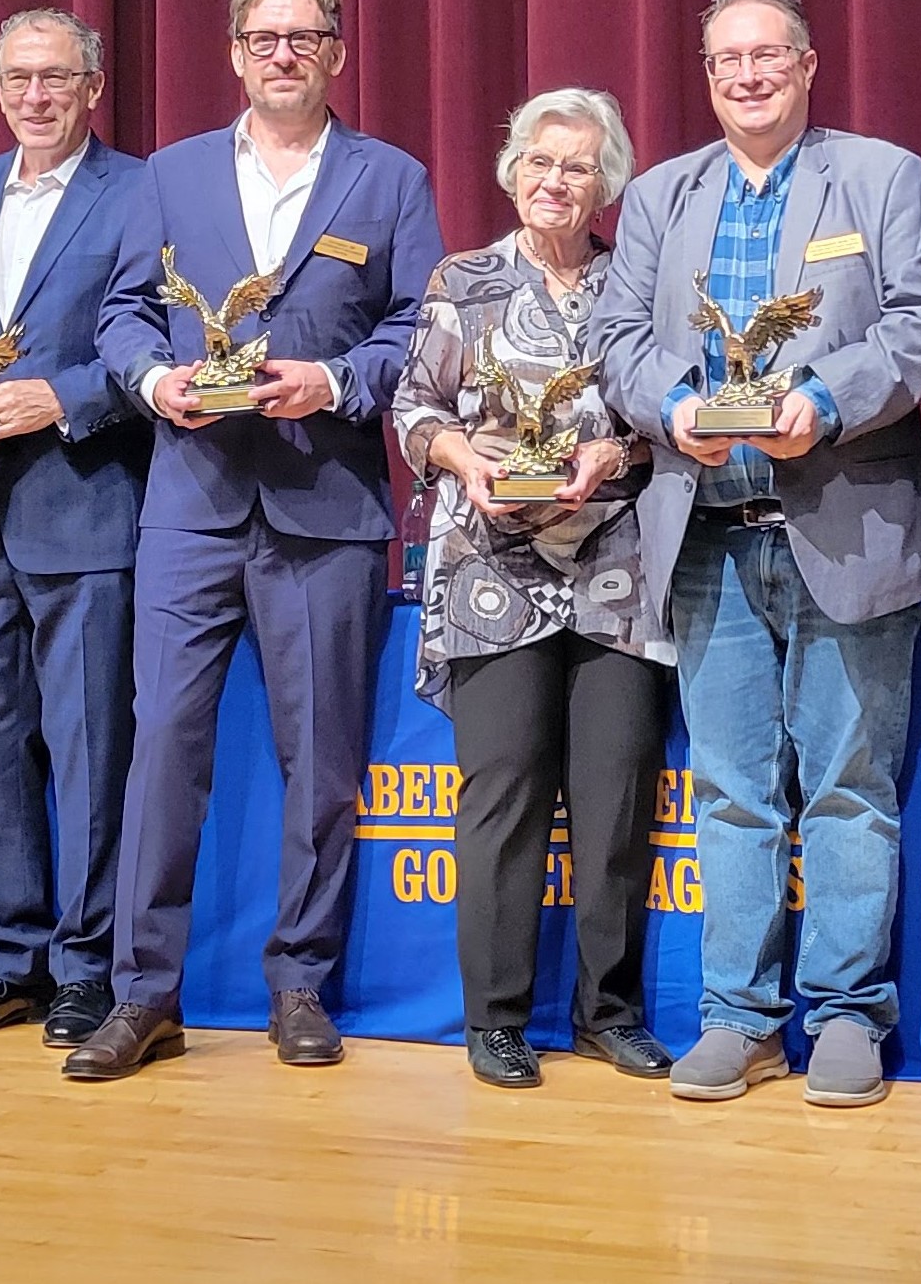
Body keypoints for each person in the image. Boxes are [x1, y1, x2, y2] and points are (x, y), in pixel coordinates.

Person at [65, 0, 441, 1082]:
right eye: (265, 38)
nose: (285, 55)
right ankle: (144, 993)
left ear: (336, 51)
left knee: (320, 761)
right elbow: (125, 312)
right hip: (189, 500)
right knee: (162, 751)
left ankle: (300, 982)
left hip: (326, 505)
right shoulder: (172, 175)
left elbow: (420, 325)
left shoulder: (390, 177)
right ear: (233, 53)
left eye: (305, 38)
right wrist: (149, 383)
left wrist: (331, 382)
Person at [592, 0, 921, 1108]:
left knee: (850, 782)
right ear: (707, 77)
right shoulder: (662, 193)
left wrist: (825, 394)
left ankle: (847, 1011)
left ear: (808, 66)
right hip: (703, 533)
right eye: (726, 61)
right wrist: (676, 410)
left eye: (769, 55)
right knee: (733, 789)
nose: (747, 75)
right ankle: (738, 1017)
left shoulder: (882, 174)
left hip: (849, 524)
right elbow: (616, 336)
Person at [391, 87, 675, 1089]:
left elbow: (665, 411)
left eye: (581, 166)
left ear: (610, 184)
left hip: (613, 571)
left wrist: (611, 453)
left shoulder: (633, 286)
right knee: (502, 800)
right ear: (511, 168)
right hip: (490, 570)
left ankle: (609, 1012)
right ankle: (497, 1019)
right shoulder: (461, 280)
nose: (558, 180)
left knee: (615, 800)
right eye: (541, 161)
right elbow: (412, 406)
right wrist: (463, 457)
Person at [0, 9, 157, 1051]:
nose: (37, 95)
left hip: (87, 510)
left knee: (91, 751)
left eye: (57, 77)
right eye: (18, 77)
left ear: (93, 87)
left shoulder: (140, 189)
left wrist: (59, 398)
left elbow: (159, 345)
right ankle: (10, 959)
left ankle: (86, 968)